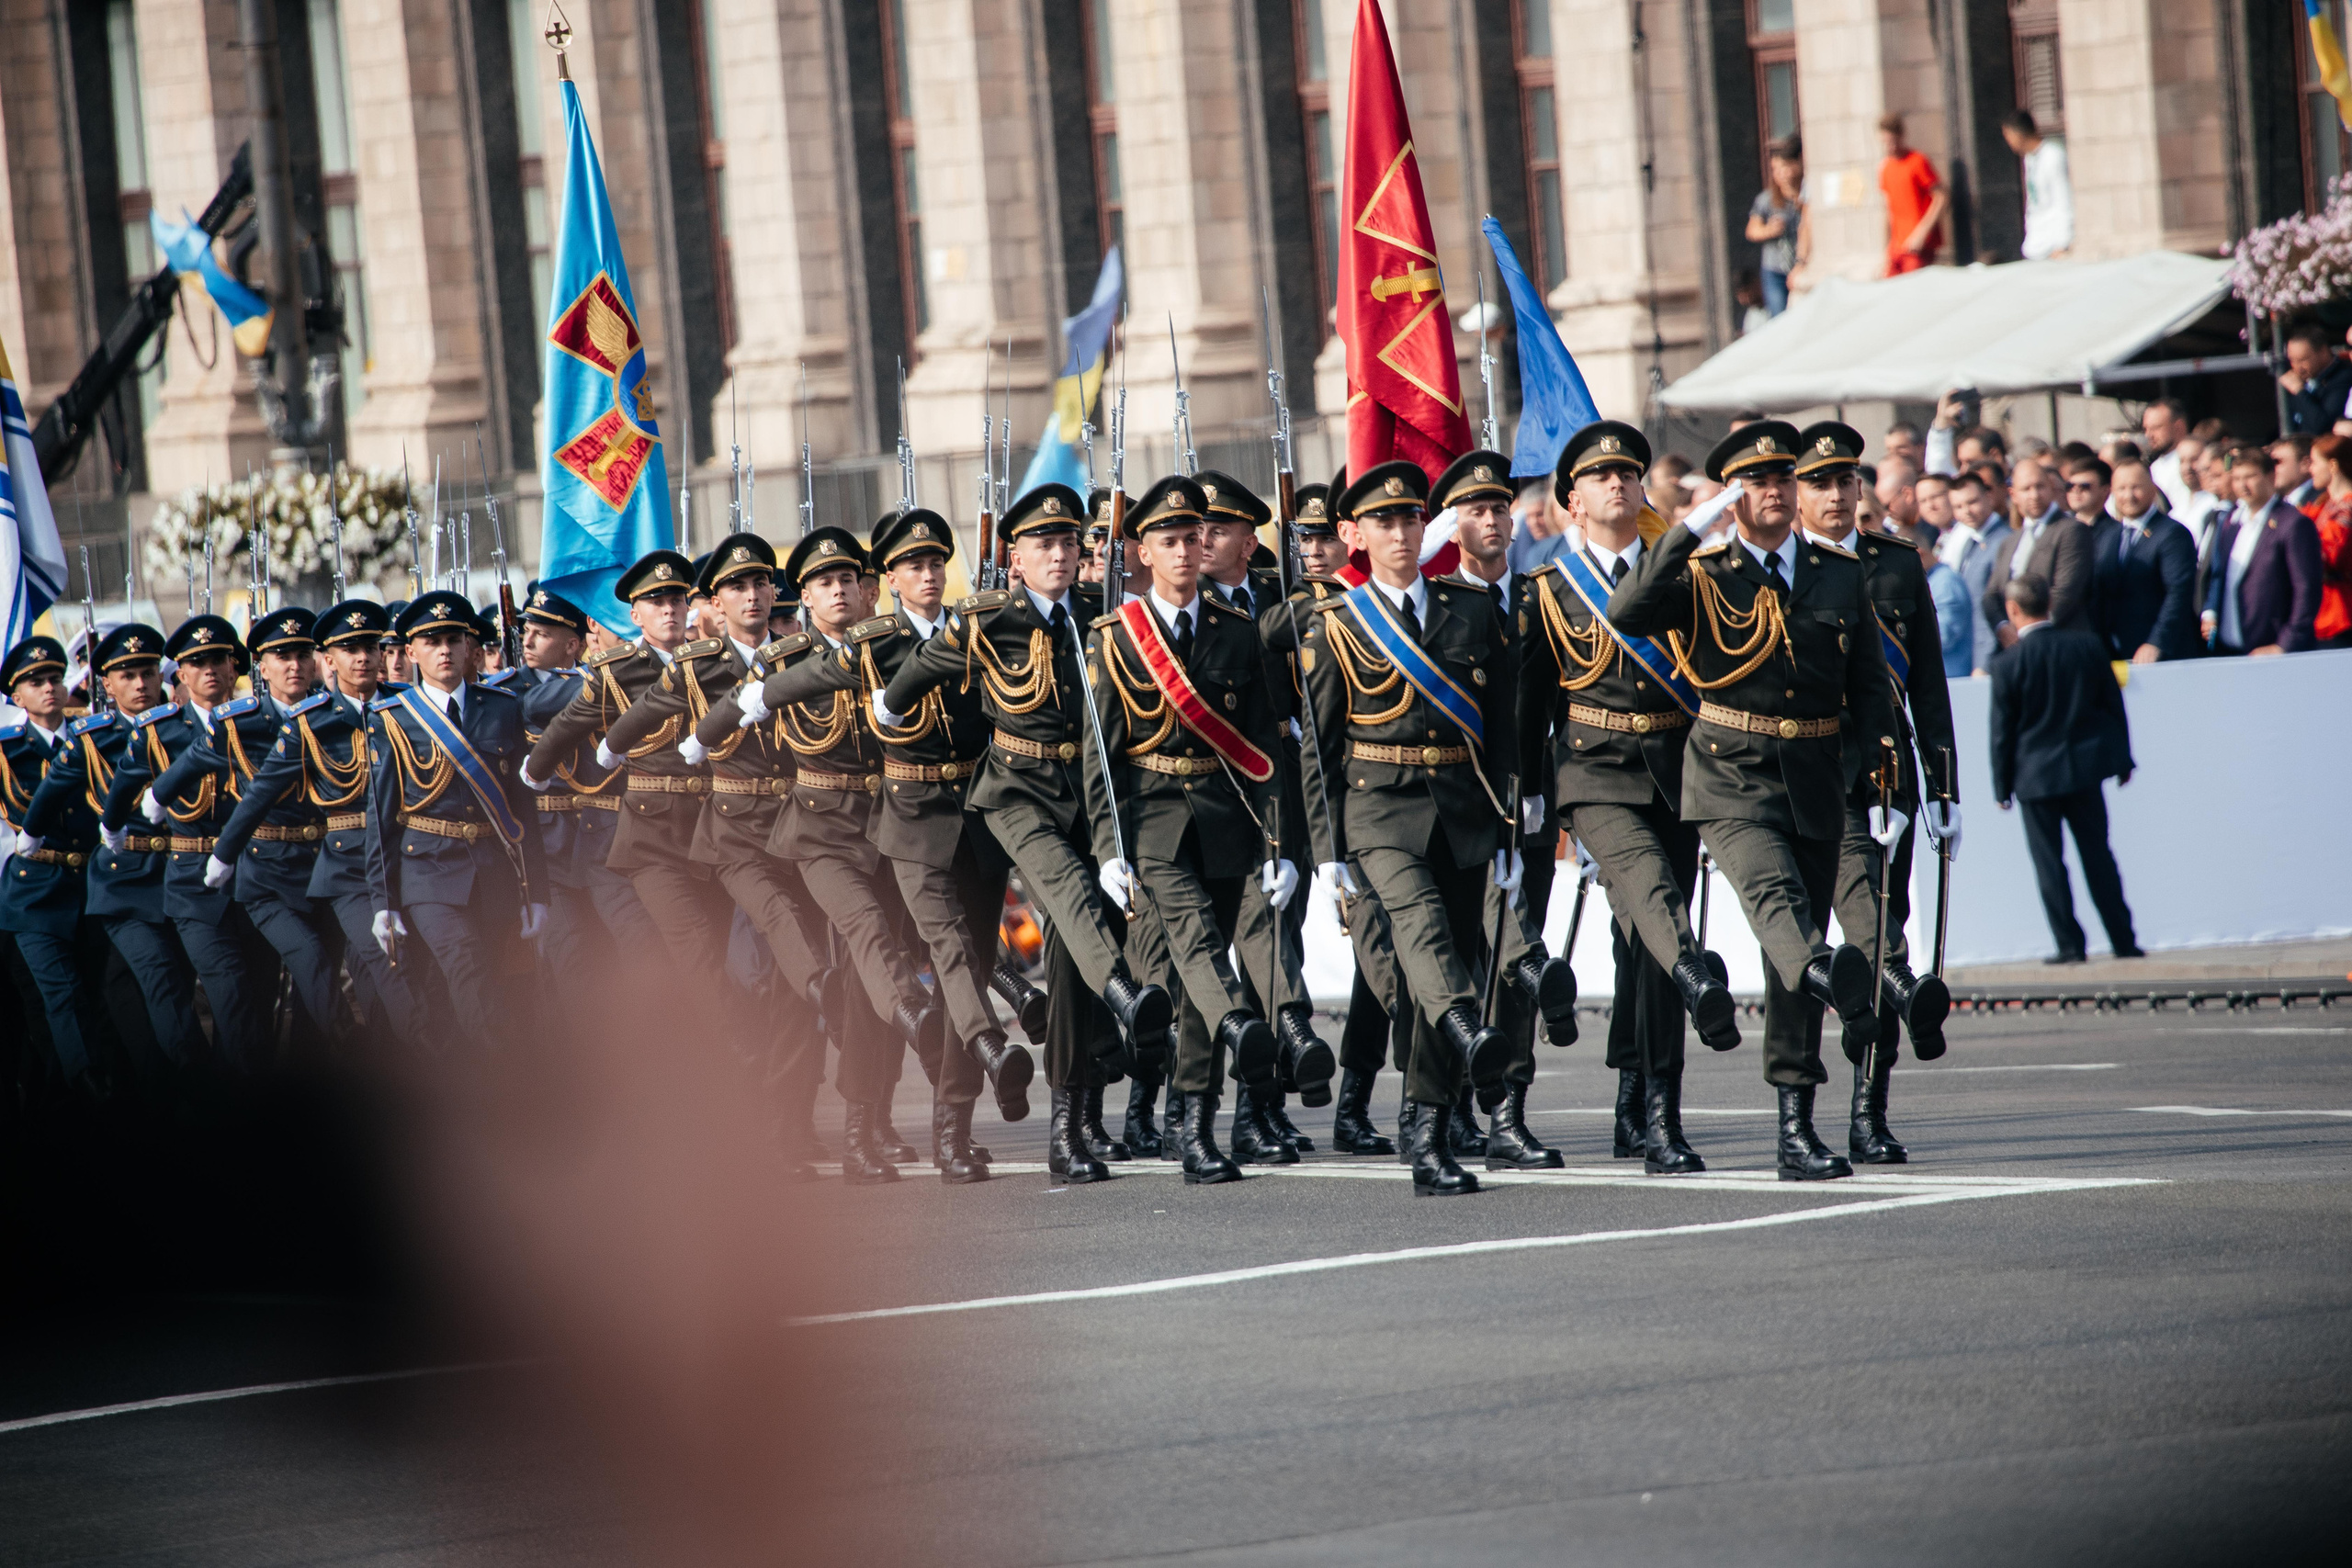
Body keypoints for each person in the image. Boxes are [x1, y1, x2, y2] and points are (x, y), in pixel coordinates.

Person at [1605, 421, 1903, 1183]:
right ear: (1732, 496)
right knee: (1778, 904)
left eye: (1781, 478)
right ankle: (1826, 973)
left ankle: (1795, 1129)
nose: (1772, 490)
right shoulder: (1703, 572)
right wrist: (1683, 531)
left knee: (1790, 956)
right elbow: (1627, 611)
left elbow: (1869, 684)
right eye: (1754, 481)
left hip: (1816, 774)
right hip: (1730, 775)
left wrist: (1879, 779)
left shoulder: (1837, 572)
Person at [718, 518, 1038, 1180]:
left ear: (868, 586)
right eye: (824, 582)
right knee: (870, 979)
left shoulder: (896, 645)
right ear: (804, 596)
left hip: (898, 826)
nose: (840, 591)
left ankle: (938, 1122)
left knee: (945, 968)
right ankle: (860, 1124)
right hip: (829, 834)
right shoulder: (794, 660)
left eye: (847, 578)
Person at [882, 483, 1174, 1185]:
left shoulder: (1098, 619)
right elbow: (917, 673)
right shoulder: (987, 621)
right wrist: (888, 709)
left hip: (1080, 802)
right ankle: (953, 1123)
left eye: (1070, 541)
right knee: (976, 957)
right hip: (1001, 802)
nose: (1061, 554)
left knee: (1072, 957)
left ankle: (1071, 1125)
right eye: (1045, 543)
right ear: (1015, 557)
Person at [1518, 421, 1739, 1178]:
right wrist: (1529, 797)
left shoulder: (1682, 577)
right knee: (1661, 909)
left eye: (1629, 473)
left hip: (1676, 772)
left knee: (1646, 940)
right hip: (1595, 775)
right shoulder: (1546, 590)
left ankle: (1644, 1103)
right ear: (1571, 501)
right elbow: (1532, 707)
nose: (1617, 482)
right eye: (1600, 475)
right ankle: (1665, 1096)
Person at [1296, 460, 1520, 1197]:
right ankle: (1467, 1027)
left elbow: (1501, 726)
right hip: (1379, 811)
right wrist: (1328, 850)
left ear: (1427, 527)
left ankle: (1427, 1131)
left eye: (1410, 518)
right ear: (1356, 534)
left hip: (1461, 809)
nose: (1400, 531)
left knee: (1446, 955)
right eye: (1384, 520)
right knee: (1421, 932)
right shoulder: (1338, 622)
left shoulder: (1471, 609)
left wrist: (1510, 826)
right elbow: (1320, 747)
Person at [1081, 476, 1299, 1184]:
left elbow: (1263, 748)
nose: (1183, 550)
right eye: (1168, 540)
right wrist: (1109, 847)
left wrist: (1278, 844)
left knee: (1200, 975)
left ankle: (1197, 1126)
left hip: (1226, 819)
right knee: (1198, 941)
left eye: (1192, 537)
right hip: (1154, 823)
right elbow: (1100, 754)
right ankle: (1243, 1026)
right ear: (1143, 552)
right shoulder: (1117, 637)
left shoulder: (1236, 630)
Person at [1793, 422, 1959, 1166]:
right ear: (1796, 493)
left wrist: (1945, 784)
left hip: (1889, 782)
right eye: (1820, 483)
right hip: (1816, 778)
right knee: (1864, 934)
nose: (1836, 495)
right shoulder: (1783, 570)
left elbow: (1927, 682)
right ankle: (1901, 990)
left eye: (1846, 480)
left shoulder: (1894, 565)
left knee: (1884, 924)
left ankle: (1869, 1112)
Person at [209, 599, 433, 1052]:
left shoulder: (410, 707)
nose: (363, 658)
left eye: (370, 647)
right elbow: (261, 792)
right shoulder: (312, 722)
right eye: (350, 649)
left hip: (409, 860)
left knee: (409, 973)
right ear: (329, 661)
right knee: (385, 966)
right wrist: (224, 852)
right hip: (348, 867)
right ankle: (421, 1056)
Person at [1438, 449, 1578, 1168]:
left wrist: (1562, 798)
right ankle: (1449, 1103)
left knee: (1522, 961)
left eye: (1499, 507)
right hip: (1460, 808)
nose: (1492, 520)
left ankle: (1507, 1114)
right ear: (1451, 525)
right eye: (1476, 510)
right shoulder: (1433, 605)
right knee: (1461, 961)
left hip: (1530, 804)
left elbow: (1562, 701)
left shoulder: (1538, 598)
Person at [364, 592, 548, 1053]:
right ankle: (503, 1073)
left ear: (468, 646)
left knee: (494, 980)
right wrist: (383, 901)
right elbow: (381, 817)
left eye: (452, 640)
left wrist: (538, 893)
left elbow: (522, 808)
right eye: (431, 642)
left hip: (494, 871)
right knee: (467, 966)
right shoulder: (392, 719)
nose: (444, 651)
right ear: (411, 652)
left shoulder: (502, 707)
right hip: (429, 873)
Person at [18, 624, 205, 1075]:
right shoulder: (94, 737)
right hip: (123, 882)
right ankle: (191, 1083)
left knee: (178, 983)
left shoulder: (188, 730)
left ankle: (168, 1087)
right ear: (106, 684)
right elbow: (50, 792)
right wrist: (30, 837)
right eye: (127, 676)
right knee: (155, 982)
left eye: (147, 673)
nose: (140, 684)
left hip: (181, 874)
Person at [103, 615, 277, 1070]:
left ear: (235, 666)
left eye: (219, 659)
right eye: (197, 663)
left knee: (261, 998)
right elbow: (123, 785)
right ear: (180, 673)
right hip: (193, 884)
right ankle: (237, 1103)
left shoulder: (263, 722)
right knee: (231, 995)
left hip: (257, 876)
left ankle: (242, 1094)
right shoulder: (162, 731)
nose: (210, 670)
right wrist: (112, 828)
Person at [1987, 575, 2139, 964]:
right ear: (2050, 604)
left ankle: (2070, 946)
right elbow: (2113, 708)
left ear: (2013, 610)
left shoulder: (2007, 664)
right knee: (2098, 856)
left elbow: (2002, 733)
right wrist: (2123, 760)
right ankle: (2123, 940)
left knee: (2049, 865)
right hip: (2085, 771)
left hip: (2035, 778)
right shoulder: (2087, 646)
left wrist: (2001, 787)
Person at [1, 636, 106, 1097]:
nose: (49, 687)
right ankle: (88, 1086)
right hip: (35, 893)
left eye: (54, 678)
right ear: (17, 697)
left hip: (94, 884)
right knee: (61, 994)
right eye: (35, 682)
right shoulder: (6, 750)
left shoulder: (95, 739)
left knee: (100, 993)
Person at [2206, 447, 2324, 655]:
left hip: (2274, 652)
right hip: (2230, 650)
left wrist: (2285, 644)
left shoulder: (2293, 523)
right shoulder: (2231, 522)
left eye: (2250, 477)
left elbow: (2307, 589)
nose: (2242, 485)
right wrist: (2210, 612)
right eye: (2237, 478)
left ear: (2270, 476)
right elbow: (2219, 576)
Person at [2091, 459, 2200, 661]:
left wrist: (2157, 642)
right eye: (2121, 489)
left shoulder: (2173, 533)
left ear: (2152, 489)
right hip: (2116, 651)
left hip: (2161, 654)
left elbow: (2179, 593)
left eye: (2136, 487)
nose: (2129, 496)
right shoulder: (2109, 535)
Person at [1982, 457, 2093, 644]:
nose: (2034, 495)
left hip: (2058, 643)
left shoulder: (2071, 530)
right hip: (2015, 646)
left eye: (2040, 486)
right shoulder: (2009, 542)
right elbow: (1991, 596)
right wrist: (2002, 628)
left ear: (2051, 487)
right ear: (2013, 494)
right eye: (2026, 489)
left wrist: (2028, 633)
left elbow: (2066, 593)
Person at [2300, 433, 2352, 646]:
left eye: (2314, 462)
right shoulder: (2323, 503)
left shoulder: (2347, 507)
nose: (2310, 469)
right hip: (2321, 610)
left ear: (2332, 465)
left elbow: (2330, 555)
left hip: (2341, 611)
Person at [1878, 114, 1947, 276]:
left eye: (1893, 141)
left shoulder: (1917, 161)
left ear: (1901, 137)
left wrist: (1922, 233)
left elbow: (1942, 197)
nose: (1890, 147)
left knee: (1914, 285)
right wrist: (1887, 247)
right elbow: (1889, 209)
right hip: (1897, 246)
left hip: (1918, 245)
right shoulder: (1886, 168)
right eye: (1885, 142)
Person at [1746, 136, 1807, 316]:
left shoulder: (1805, 196)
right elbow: (1752, 230)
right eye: (1775, 170)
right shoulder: (1767, 200)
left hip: (1801, 263)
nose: (1780, 174)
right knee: (1779, 314)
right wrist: (1768, 230)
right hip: (1775, 267)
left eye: (1783, 167)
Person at [2001, 109, 2073, 261]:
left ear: (2017, 134)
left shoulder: (2052, 155)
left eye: (2008, 135)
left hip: (2053, 243)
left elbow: (2063, 198)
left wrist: (2062, 242)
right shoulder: (2030, 158)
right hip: (2036, 242)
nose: (2008, 141)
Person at [2278, 322, 2352, 437]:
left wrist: (2300, 391)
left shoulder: (2343, 377)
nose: (2298, 367)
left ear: (2323, 352)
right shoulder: (2301, 379)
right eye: (2292, 360)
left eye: (2302, 360)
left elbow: (2322, 426)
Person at [2142, 400, 2192, 514]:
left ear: (2178, 427)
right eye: (2146, 429)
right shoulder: (2154, 467)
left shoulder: (2194, 463)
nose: (2148, 435)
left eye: (2156, 428)